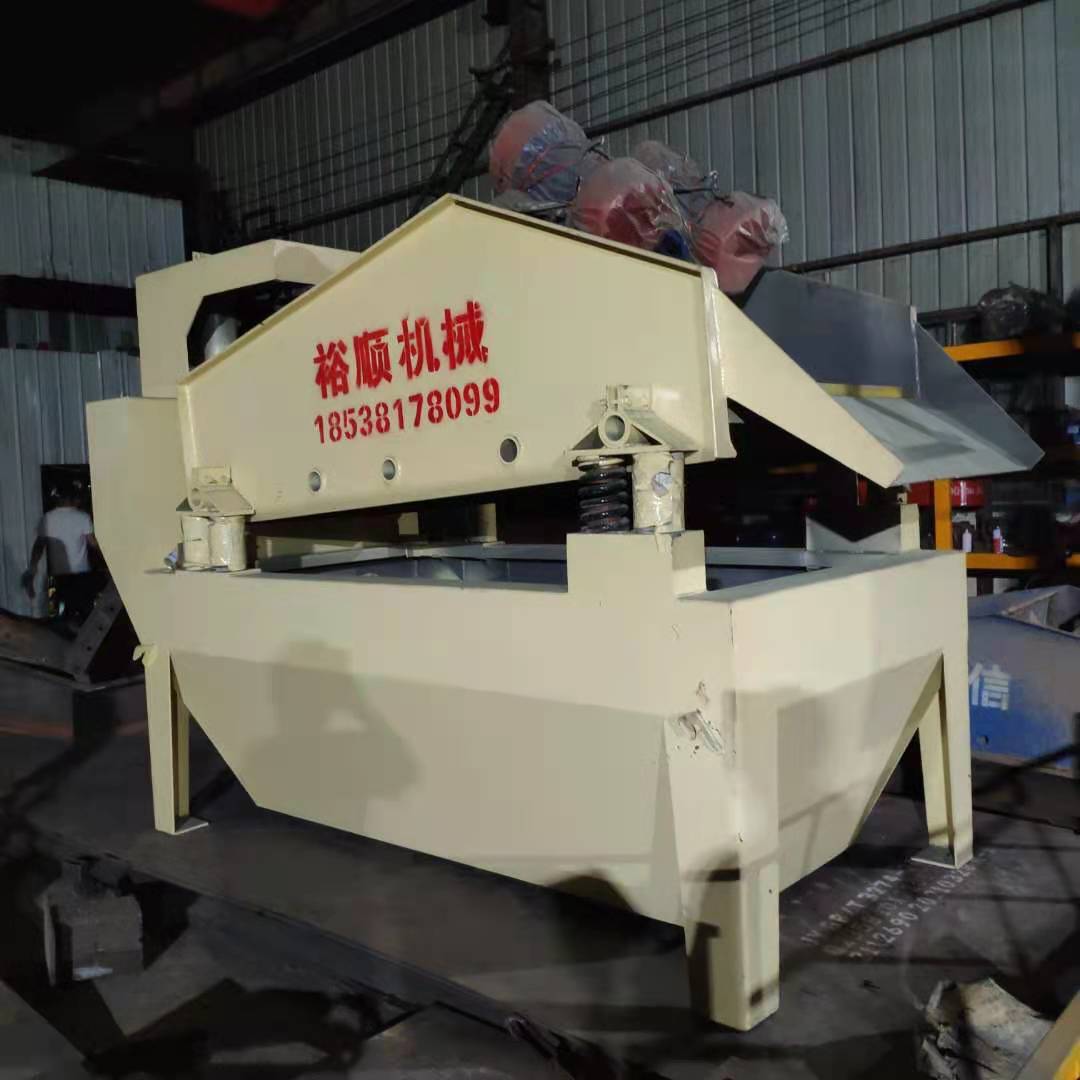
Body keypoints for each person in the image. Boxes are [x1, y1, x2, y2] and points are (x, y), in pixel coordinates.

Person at [22, 489, 101, 622]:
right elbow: (93, 543)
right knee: (85, 614)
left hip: (56, 574)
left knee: (55, 613)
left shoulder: (48, 518)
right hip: (81, 574)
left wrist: (33, 568)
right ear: (72, 498)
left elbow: (39, 546)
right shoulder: (83, 517)